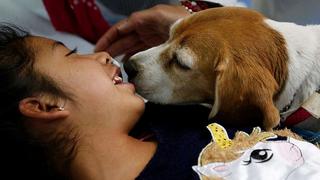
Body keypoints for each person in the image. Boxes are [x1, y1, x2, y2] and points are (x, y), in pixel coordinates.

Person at [0, 24, 230, 180]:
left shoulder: (170, 112)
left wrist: (191, 24)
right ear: (45, 105)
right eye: (73, 55)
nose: (103, 55)